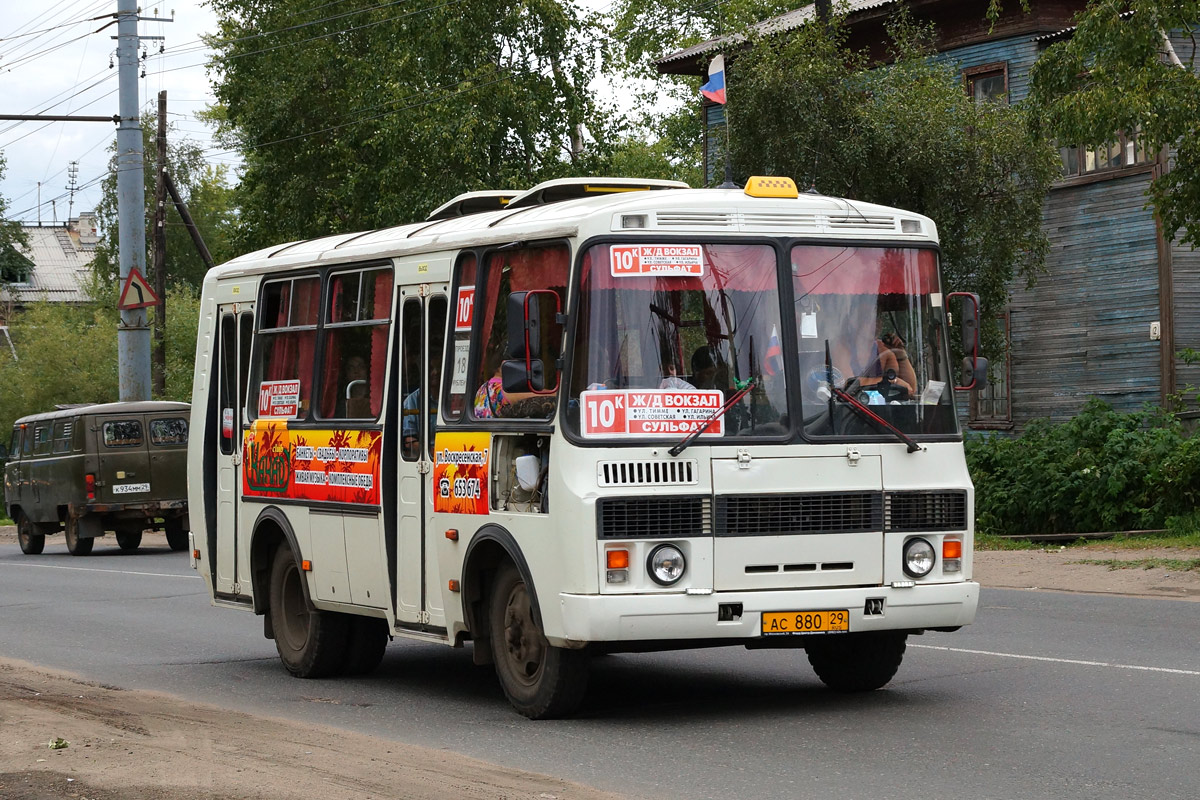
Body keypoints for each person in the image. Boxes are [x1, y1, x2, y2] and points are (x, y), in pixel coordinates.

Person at [402, 363, 439, 457]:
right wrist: (434, 454)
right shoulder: (411, 401)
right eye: (431, 369)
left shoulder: (456, 398)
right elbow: (409, 441)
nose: (435, 372)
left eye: (438, 368)